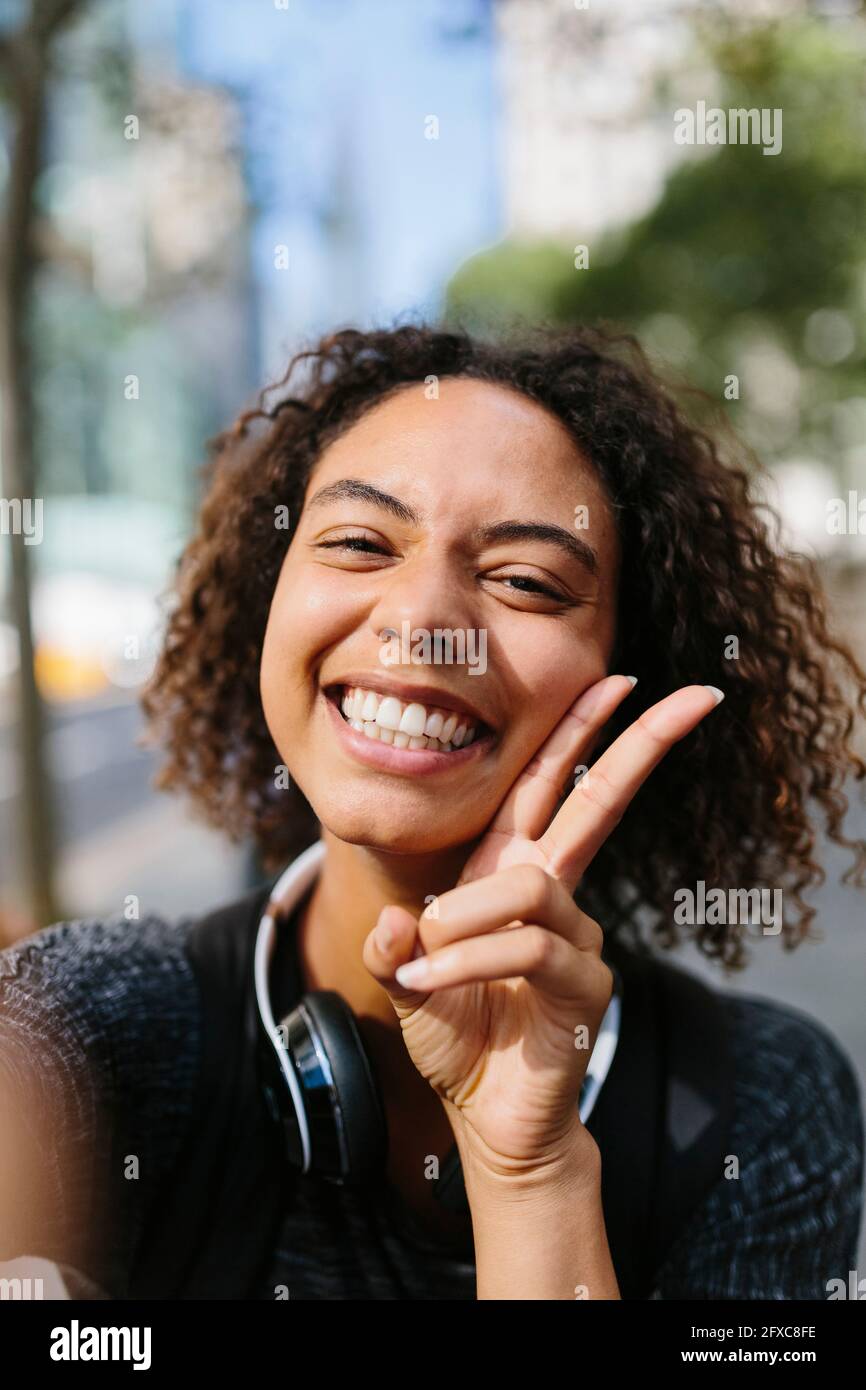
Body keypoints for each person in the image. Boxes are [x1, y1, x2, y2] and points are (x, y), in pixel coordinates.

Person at [1, 323, 863, 1300]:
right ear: (262, 600)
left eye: (525, 581)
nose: (421, 623)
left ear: (636, 668)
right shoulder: (79, 1020)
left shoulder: (759, 1104)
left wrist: (530, 1178)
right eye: (360, 542)